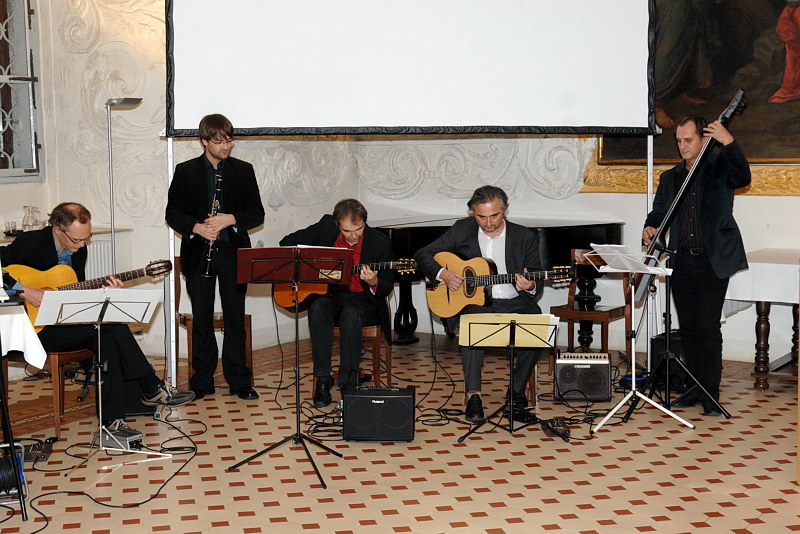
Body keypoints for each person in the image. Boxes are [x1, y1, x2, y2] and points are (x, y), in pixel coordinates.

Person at [1, 202, 194, 441]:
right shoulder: (31, 243)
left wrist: (105, 291)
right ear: (57, 230)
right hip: (30, 329)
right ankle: (151, 387)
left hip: (60, 323)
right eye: (77, 239)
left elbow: (74, 292)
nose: (83, 245)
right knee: (109, 332)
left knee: (108, 335)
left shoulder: (78, 251)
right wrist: (24, 290)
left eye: (87, 238)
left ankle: (113, 422)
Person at [642, 115, 751, 416]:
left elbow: (743, 177)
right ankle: (693, 388)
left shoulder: (719, 167)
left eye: (688, 140)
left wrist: (729, 142)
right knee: (688, 329)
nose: (682, 146)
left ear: (704, 140)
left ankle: (710, 393)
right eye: (679, 141)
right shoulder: (671, 177)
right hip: (682, 259)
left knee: (707, 327)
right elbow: (659, 211)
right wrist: (651, 226)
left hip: (712, 260)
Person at [414, 186, 544, 424]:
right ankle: (474, 395)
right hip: (477, 303)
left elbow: (536, 277)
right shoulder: (462, 229)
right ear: (473, 213)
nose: (488, 223)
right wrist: (443, 274)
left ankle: (515, 393)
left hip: (515, 301)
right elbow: (423, 254)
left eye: (494, 215)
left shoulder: (524, 236)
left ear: (504, 210)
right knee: (471, 325)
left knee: (537, 325)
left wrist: (530, 285)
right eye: (481, 216)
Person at [166, 114, 264, 401]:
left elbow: (256, 213)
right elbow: (172, 213)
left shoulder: (243, 171)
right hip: (199, 253)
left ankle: (239, 381)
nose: (226, 146)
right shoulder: (185, 171)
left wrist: (229, 219)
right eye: (220, 142)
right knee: (202, 319)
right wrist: (197, 227)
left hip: (233, 253)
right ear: (204, 141)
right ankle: (202, 381)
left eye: (229, 140)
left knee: (235, 318)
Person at [279, 199, 394, 408]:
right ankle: (323, 380)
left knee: (351, 313)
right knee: (318, 308)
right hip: (332, 295)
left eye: (358, 229)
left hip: (364, 300)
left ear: (364, 222)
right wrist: (311, 264)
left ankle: (348, 384)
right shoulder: (325, 227)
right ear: (337, 224)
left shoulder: (380, 242)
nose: (353, 236)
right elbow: (287, 242)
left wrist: (374, 281)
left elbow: (386, 286)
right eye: (347, 231)